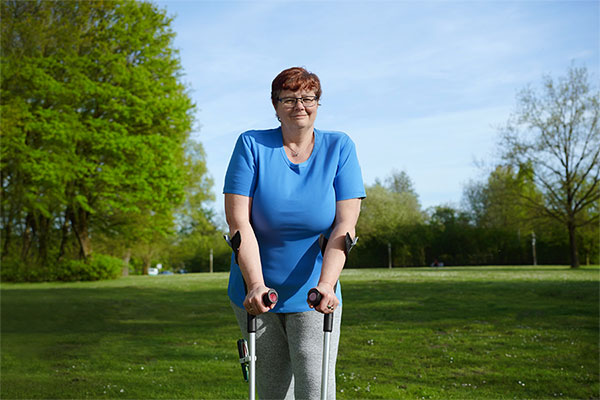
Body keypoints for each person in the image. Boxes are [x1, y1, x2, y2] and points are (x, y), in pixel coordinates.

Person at [224, 66, 365, 399]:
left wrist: (327, 286)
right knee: (272, 391)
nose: (299, 105)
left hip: (315, 292)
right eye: (288, 98)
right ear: (275, 106)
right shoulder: (251, 145)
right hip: (255, 290)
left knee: (316, 389)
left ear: (318, 103)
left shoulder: (339, 147)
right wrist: (256, 284)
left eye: (307, 97)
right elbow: (238, 224)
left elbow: (344, 227)